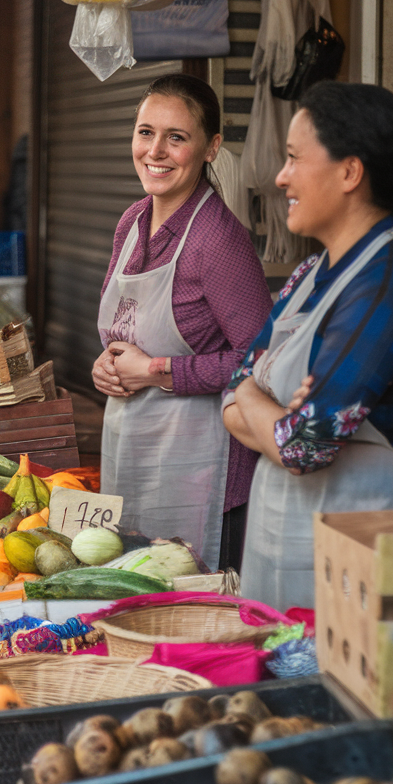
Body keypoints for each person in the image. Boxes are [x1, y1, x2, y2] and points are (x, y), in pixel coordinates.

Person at [222, 82, 393, 609]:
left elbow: (303, 446)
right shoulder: (310, 272)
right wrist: (267, 404)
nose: (280, 177)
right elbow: (231, 398)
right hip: (284, 542)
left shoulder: (388, 285)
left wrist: (255, 397)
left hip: (370, 559)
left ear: (350, 172)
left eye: (292, 159)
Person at [93, 74, 271, 572]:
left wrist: (156, 370)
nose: (157, 151)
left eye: (177, 137)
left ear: (211, 148)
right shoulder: (131, 223)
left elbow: (262, 359)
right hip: (136, 453)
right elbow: (121, 331)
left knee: (193, 610)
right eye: (146, 132)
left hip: (207, 475)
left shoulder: (218, 240)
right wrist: (105, 368)